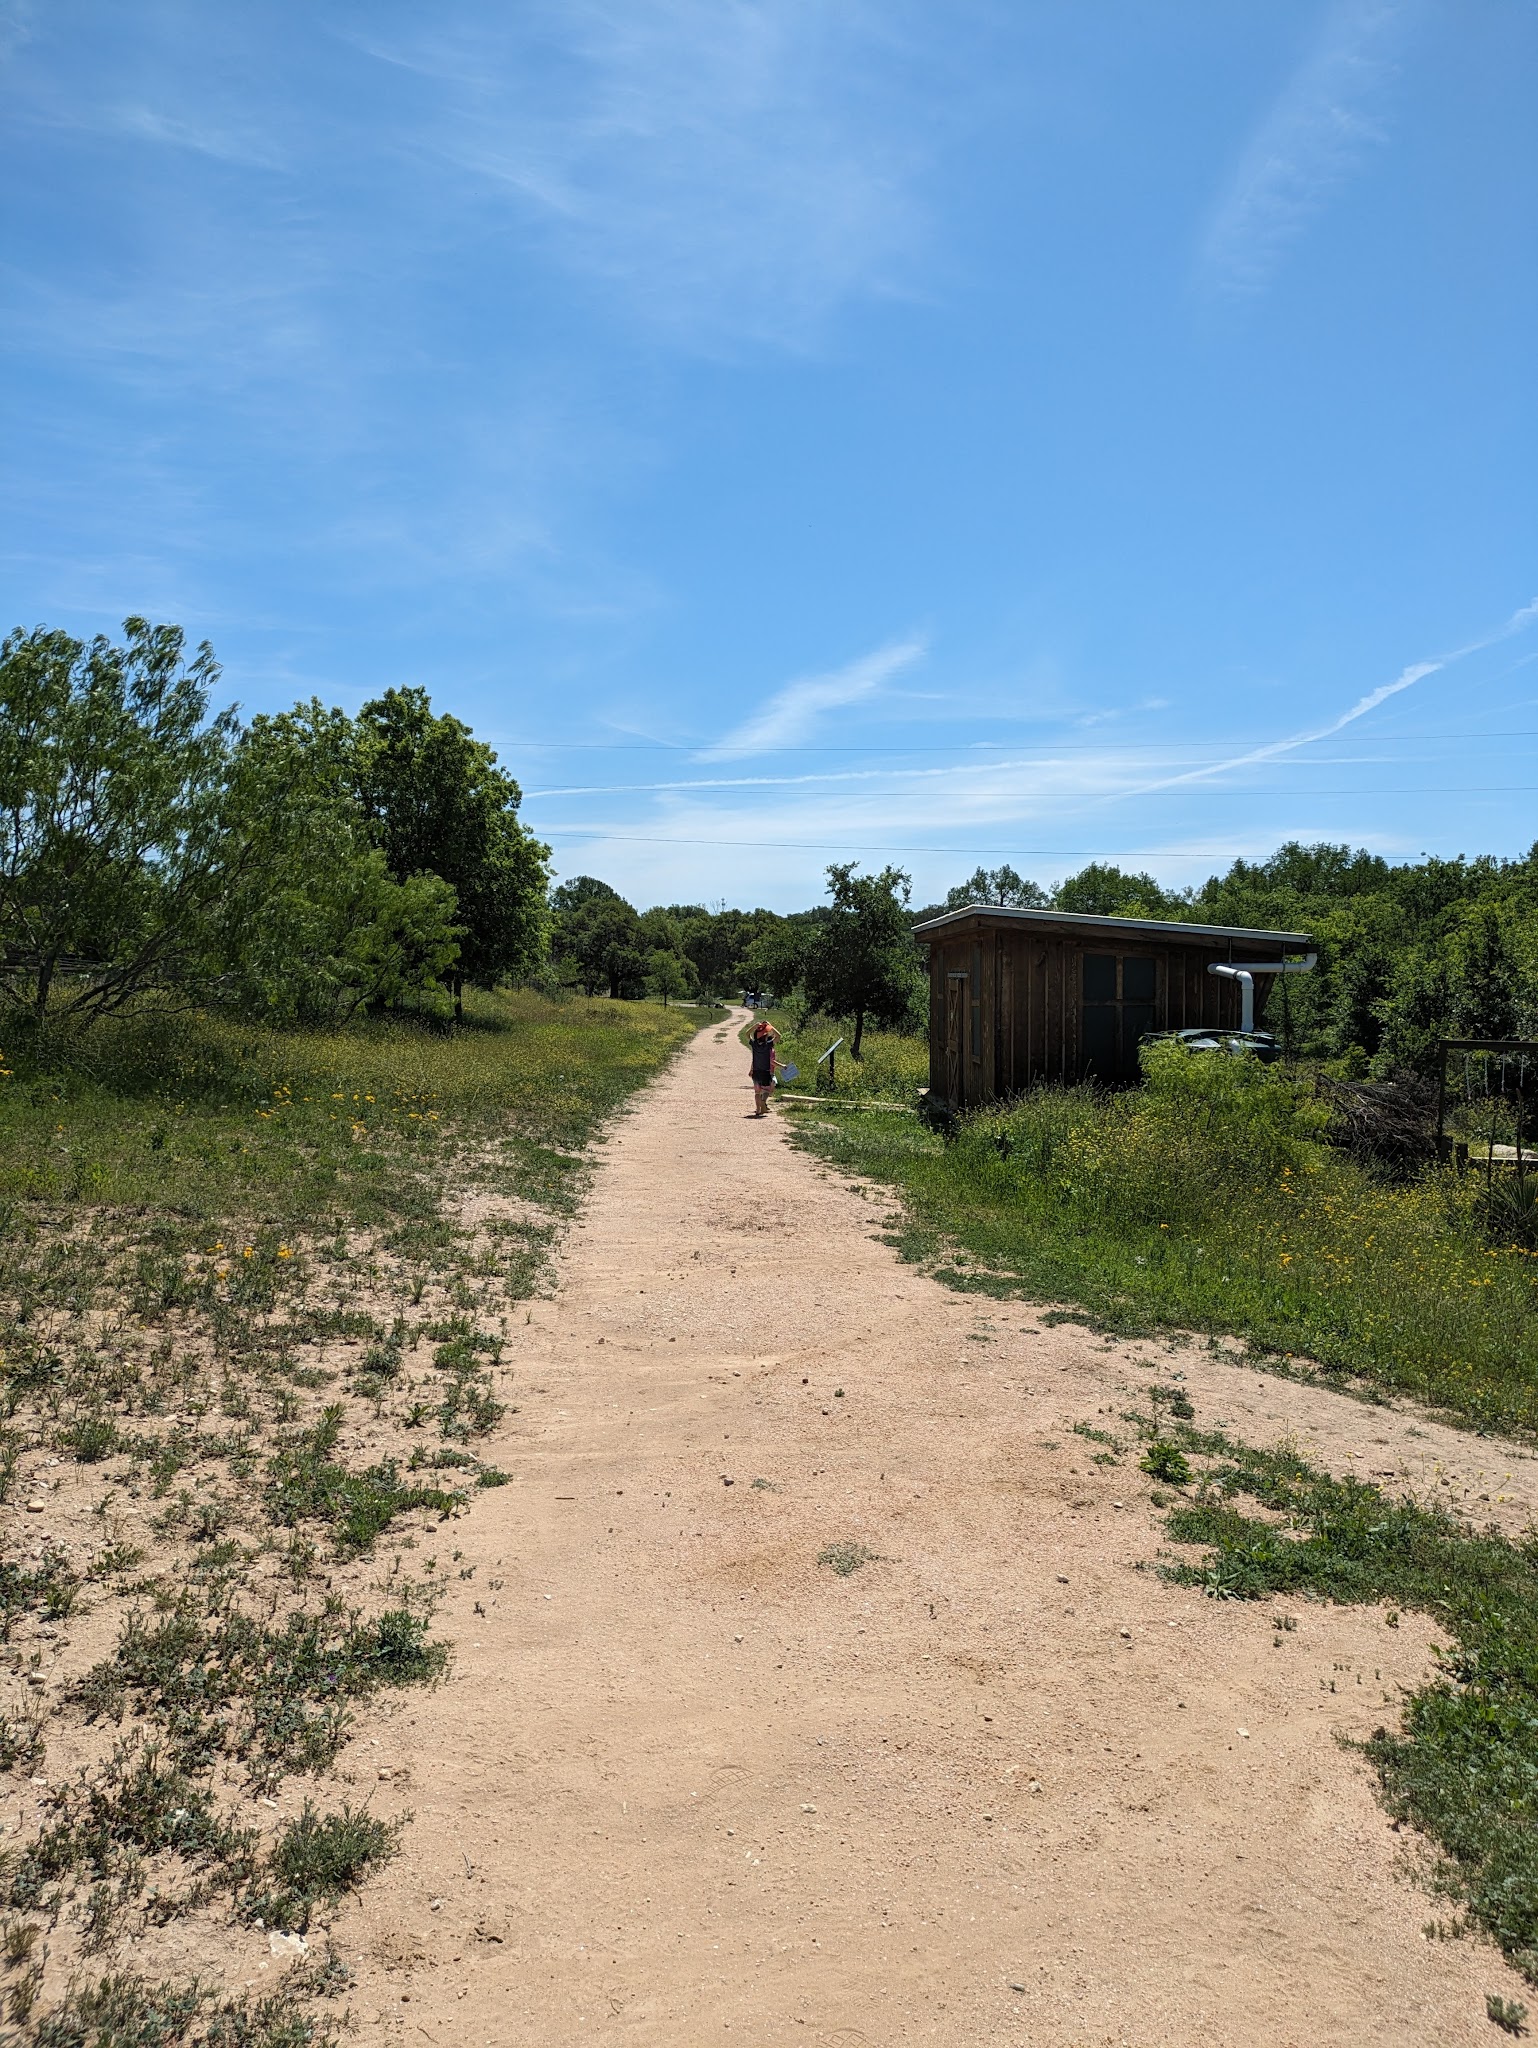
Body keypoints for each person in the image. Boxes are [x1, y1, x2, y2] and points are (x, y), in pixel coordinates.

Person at [748, 1018, 780, 1117]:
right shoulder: (768, 1045)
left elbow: (746, 1034)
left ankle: (758, 1110)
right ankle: (763, 1103)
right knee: (767, 1090)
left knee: (757, 1092)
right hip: (765, 1071)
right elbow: (778, 1036)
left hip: (756, 1071)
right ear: (766, 1037)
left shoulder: (754, 1045)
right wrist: (771, 1026)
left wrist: (754, 1027)